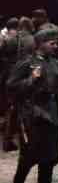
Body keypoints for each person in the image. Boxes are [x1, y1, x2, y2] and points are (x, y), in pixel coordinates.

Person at [7, 28, 58, 183]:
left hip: (53, 114)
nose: (55, 46)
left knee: (51, 156)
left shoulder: (57, 63)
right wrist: (31, 79)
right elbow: (11, 87)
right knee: (29, 156)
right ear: (40, 44)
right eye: (51, 43)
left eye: (56, 43)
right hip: (33, 116)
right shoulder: (27, 63)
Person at [2, 17, 35, 152]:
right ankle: (29, 140)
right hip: (27, 77)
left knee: (13, 109)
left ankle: (8, 140)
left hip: (11, 77)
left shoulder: (10, 40)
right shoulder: (33, 40)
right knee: (28, 108)